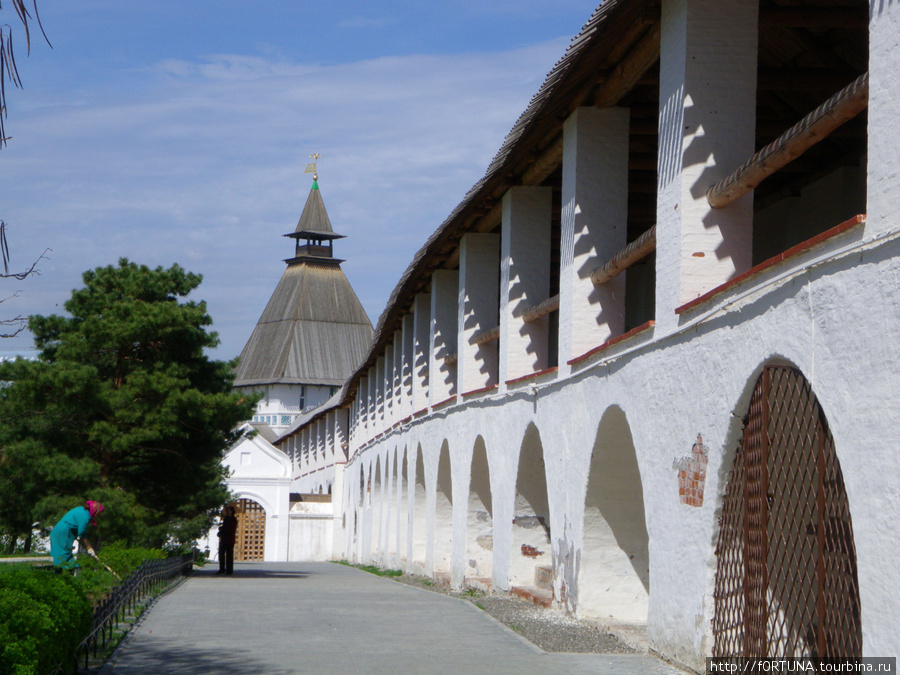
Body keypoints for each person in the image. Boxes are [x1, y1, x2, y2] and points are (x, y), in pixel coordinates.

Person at [49, 500, 104, 572]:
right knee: (63, 558)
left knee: (63, 558)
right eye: (98, 513)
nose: (98, 516)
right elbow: (82, 533)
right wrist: (89, 548)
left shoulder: (81, 510)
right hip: (62, 534)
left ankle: (64, 579)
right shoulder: (85, 517)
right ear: (95, 511)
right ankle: (60, 579)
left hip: (58, 533)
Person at [216, 505, 238, 576]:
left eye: (228, 510)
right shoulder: (226, 518)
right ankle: (222, 569)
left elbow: (230, 529)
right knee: (221, 555)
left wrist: (222, 529)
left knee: (229, 556)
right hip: (223, 539)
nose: (227, 512)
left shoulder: (233, 519)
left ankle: (229, 570)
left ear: (232, 511)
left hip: (230, 539)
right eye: (227, 511)